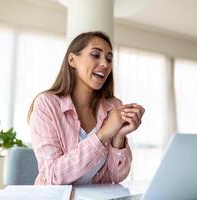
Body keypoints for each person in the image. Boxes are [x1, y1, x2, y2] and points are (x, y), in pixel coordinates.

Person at [27, 31, 145, 185]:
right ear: (72, 60)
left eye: (109, 59)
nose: (105, 64)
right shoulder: (47, 104)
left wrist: (119, 137)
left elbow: (114, 178)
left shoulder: (113, 106)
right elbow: (53, 175)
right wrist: (102, 135)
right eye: (96, 55)